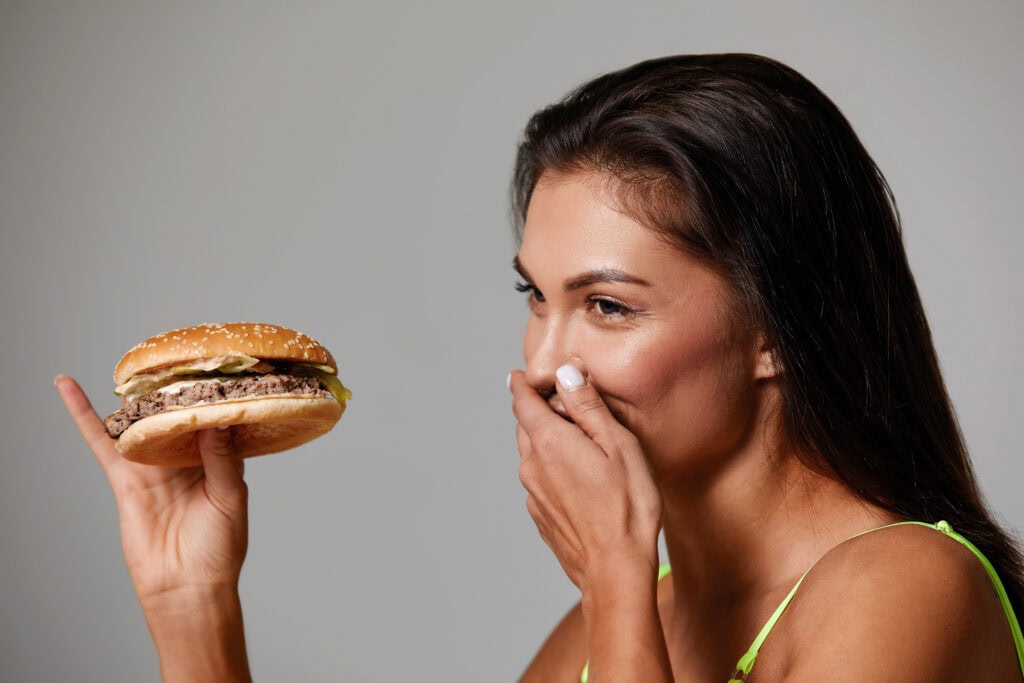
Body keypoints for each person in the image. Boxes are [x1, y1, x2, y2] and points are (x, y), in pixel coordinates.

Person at [57, 52, 1024, 682]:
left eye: (607, 306)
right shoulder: (598, 637)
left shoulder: (905, 585)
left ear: (778, 329)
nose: (548, 362)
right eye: (535, 297)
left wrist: (613, 579)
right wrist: (195, 614)